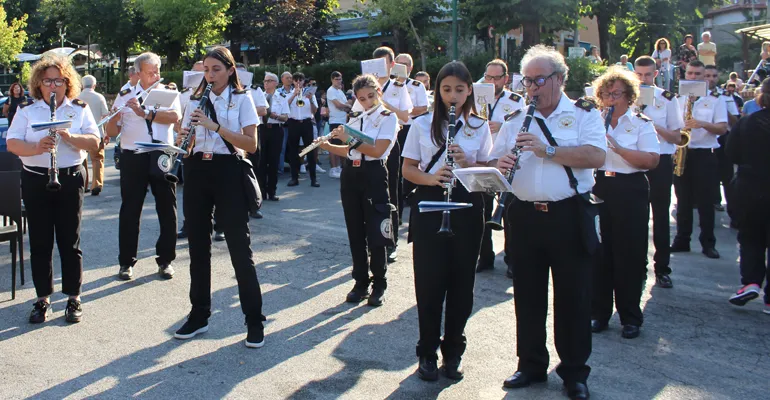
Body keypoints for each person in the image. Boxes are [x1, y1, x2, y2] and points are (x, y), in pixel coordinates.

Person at [491, 45, 605, 400]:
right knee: (527, 294)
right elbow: (494, 163)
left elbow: (596, 156)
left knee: (573, 296)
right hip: (523, 216)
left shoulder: (584, 114)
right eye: (527, 81)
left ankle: (573, 372)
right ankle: (530, 364)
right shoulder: (514, 119)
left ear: (559, 79)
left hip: (568, 214)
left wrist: (547, 150)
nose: (532, 88)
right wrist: (501, 165)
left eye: (538, 80)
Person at [402, 61, 491, 382]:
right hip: (429, 208)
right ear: (438, 91)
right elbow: (408, 169)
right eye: (446, 89)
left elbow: (489, 172)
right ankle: (426, 351)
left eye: (459, 90)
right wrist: (431, 177)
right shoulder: (422, 124)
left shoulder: (480, 126)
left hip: (467, 209)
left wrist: (469, 163)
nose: (453, 96)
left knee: (461, 288)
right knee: (429, 286)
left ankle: (453, 351)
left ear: (469, 92)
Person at [173, 46, 266, 348]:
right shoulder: (193, 100)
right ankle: (199, 314)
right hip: (197, 169)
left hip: (228, 170)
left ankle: (254, 319)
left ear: (229, 70)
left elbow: (251, 144)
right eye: (206, 70)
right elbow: (187, 144)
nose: (210, 75)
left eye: (216, 69)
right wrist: (181, 142)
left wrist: (214, 126)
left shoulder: (242, 99)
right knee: (198, 248)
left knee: (240, 248)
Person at [6, 54, 100, 323]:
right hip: (36, 178)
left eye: (59, 80)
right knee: (40, 241)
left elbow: (94, 141)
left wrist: (70, 137)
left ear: (67, 82)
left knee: (70, 241)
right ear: (39, 84)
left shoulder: (79, 108)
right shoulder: (27, 110)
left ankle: (73, 297)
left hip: (69, 177)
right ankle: (42, 298)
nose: (53, 86)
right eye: (48, 81)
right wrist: (36, 147)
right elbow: (12, 143)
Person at [316, 74, 398, 307]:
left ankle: (379, 283)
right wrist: (327, 145)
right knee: (354, 230)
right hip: (351, 174)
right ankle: (360, 281)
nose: (367, 101)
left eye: (371, 96)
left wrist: (348, 138)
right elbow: (351, 152)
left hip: (373, 174)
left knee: (376, 231)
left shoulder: (387, 117)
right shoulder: (355, 116)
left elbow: (377, 149)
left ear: (379, 92)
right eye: (362, 98)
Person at [590, 66, 660, 340]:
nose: (611, 99)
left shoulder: (641, 123)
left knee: (629, 254)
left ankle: (630, 316)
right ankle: (599, 313)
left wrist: (617, 147)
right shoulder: (593, 120)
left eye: (616, 94)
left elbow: (652, 160)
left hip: (629, 188)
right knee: (599, 253)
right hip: (600, 186)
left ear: (629, 97)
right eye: (606, 94)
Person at [104, 52, 181, 280]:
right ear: (138, 73)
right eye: (150, 72)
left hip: (160, 153)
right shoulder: (125, 93)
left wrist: (145, 112)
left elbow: (175, 116)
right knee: (130, 209)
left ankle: (165, 260)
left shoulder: (167, 92)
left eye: (157, 70)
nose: (155, 75)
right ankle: (126, 262)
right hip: (133, 155)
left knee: (167, 207)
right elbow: (111, 132)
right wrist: (111, 117)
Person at [634, 56, 684, 288]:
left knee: (660, 215)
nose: (643, 79)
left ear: (655, 75)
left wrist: (651, 124)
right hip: (634, 161)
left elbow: (677, 137)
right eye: (639, 74)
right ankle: (638, 266)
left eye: (647, 75)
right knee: (635, 218)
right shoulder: (627, 96)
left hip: (660, 160)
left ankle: (662, 267)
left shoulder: (667, 99)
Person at [671, 60, 728, 259]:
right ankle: (682, 240)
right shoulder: (678, 98)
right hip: (682, 152)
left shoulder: (716, 99)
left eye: (698, 74)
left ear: (705, 77)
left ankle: (708, 242)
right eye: (691, 73)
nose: (693, 77)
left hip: (704, 153)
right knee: (682, 200)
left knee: (705, 202)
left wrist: (701, 124)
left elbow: (722, 128)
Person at [725, 77, 770, 315]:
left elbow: (731, 153)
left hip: (750, 186)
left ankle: (750, 282)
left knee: (750, 236)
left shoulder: (747, 122)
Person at [477, 59, 524, 277]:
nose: (492, 81)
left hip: (506, 161)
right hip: (484, 158)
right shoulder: (477, 96)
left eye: (496, 78)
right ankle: (484, 256)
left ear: (505, 79)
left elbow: (523, 128)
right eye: (488, 77)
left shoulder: (516, 101)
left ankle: (513, 259)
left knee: (509, 212)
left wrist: (502, 126)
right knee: (482, 210)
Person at [371, 46, 413, 263]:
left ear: (391, 65)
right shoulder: (366, 86)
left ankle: (392, 241)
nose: (379, 68)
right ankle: (374, 237)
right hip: (370, 144)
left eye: (383, 63)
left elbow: (405, 116)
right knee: (372, 191)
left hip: (391, 142)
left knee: (392, 191)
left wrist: (381, 102)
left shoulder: (399, 86)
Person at [394, 53, 430, 230]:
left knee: (407, 171)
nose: (401, 67)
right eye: (398, 64)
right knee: (393, 173)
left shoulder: (416, 86)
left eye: (405, 65)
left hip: (410, 129)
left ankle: (407, 199)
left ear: (410, 68)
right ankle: (396, 213)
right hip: (392, 129)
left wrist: (404, 110)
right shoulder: (389, 85)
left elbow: (423, 108)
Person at [257, 72, 289, 201]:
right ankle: (261, 192)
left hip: (275, 130)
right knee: (261, 162)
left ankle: (272, 191)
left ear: (276, 83)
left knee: (274, 162)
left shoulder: (281, 97)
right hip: (262, 129)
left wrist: (275, 116)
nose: (266, 83)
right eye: (265, 81)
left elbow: (286, 117)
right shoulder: (259, 96)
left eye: (269, 81)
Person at [286, 72, 319, 187]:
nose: (298, 82)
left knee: (310, 150)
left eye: (300, 80)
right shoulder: (289, 93)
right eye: (296, 80)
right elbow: (285, 107)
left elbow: (314, 111)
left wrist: (310, 99)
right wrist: (294, 95)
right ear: (293, 82)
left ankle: (313, 179)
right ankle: (294, 177)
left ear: (304, 81)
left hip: (306, 122)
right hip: (293, 123)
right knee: (293, 151)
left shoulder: (310, 94)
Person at [78, 75, 110, 196]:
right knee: (97, 159)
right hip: (97, 133)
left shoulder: (77, 98)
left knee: (82, 160)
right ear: (94, 85)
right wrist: (106, 133)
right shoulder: (99, 97)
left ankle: (84, 183)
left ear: (82, 85)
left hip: (81, 134)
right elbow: (106, 115)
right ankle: (96, 184)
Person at [326, 71, 352, 179]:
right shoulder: (330, 90)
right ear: (332, 79)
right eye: (336, 79)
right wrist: (347, 106)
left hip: (343, 120)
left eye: (340, 79)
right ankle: (333, 168)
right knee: (334, 145)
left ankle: (340, 167)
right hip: (335, 121)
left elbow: (346, 105)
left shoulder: (340, 91)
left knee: (342, 144)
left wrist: (346, 106)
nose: (339, 81)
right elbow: (338, 105)